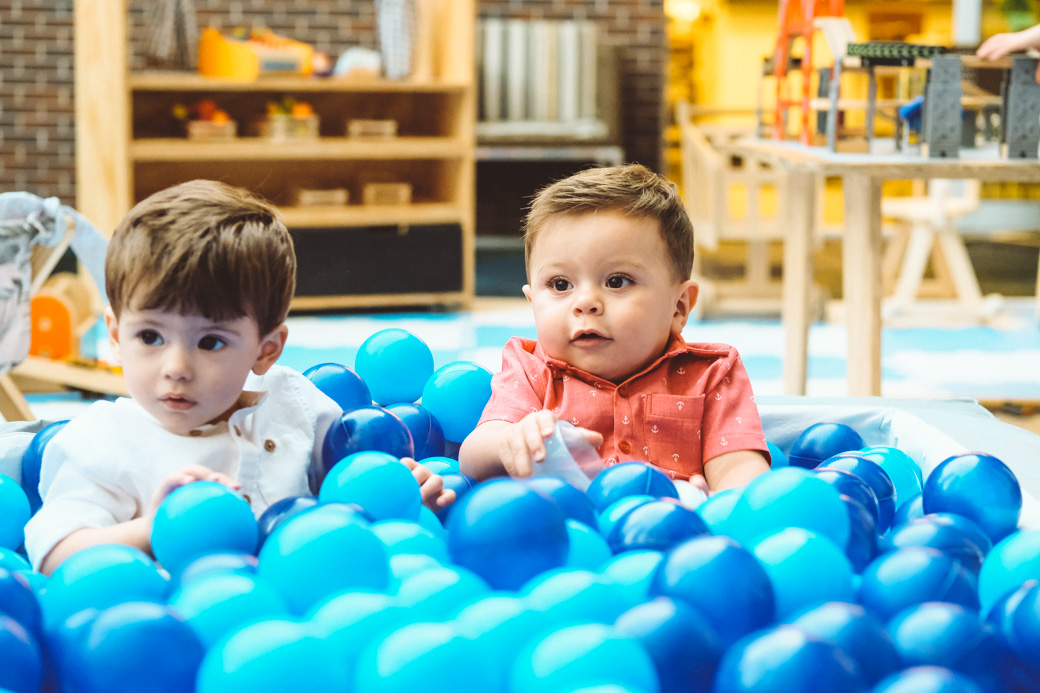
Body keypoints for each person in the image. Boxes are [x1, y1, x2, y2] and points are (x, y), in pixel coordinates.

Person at [24, 180, 453, 575]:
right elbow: (55, 554)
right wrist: (156, 528)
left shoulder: (295, 403)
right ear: (116, 336)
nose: (176, 366)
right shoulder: (102, 441)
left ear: (266, 349)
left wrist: (403, 488)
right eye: (150, 336)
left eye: (210, 342)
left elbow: (352, 486)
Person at [458, 164, 771, 493]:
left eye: (617, 281)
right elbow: (474, 456)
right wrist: (513, 439)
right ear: (532, 301)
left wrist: (724, 504)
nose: (585, 303)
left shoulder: (711, 373)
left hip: (672, 530)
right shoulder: (532, 370)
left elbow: (738, 467)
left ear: (678, 306)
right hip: (566, 532)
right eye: (560, 284)